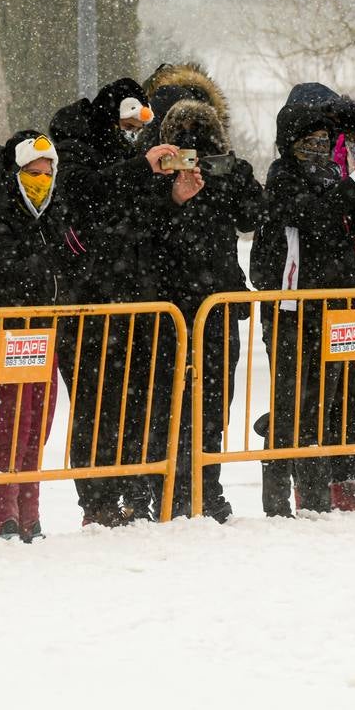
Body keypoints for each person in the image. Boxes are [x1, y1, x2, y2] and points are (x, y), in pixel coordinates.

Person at [250, 84, 355, 516]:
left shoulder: (337, 177)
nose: (320, 149)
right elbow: (316, 216)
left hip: (340, 304)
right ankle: (278, 494)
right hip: (291, 308)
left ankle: (323, 487)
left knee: (332, 401)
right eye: (310, 142)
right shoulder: (282, 176)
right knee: (295, 400)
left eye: (326, 141)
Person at [47, 76, 167, 526]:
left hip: (136, 296)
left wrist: (174, 191)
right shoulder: (72, 145)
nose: (133, 133)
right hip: (90, 301)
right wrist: (141, 168)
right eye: (127, 123)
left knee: (136, 402)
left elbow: (144, 215)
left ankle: (134, 491)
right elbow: (85, 192)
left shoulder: (129, 154)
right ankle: (97, 500)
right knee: (95, 403)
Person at [0, 132, 89, 540]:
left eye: (47, 172)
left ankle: (29, 514)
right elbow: (8, 277)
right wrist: (50, 280)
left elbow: (75, 267)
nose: (41, 179)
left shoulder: (56, 214)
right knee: (4, 430)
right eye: (32, 173)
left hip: (41, 337)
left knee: (36, 428)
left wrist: (56, 283)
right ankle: (1, 518)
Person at [146, 94, 263, 521]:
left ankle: (206, 483)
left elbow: (253, 215)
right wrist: (173, 196)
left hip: (217, 306)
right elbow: (144, 229)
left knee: (215, 401)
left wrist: (230, 171)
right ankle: (167, 486)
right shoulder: (154, 176)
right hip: (169, 306)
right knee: (168, 400)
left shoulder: (225, 171)